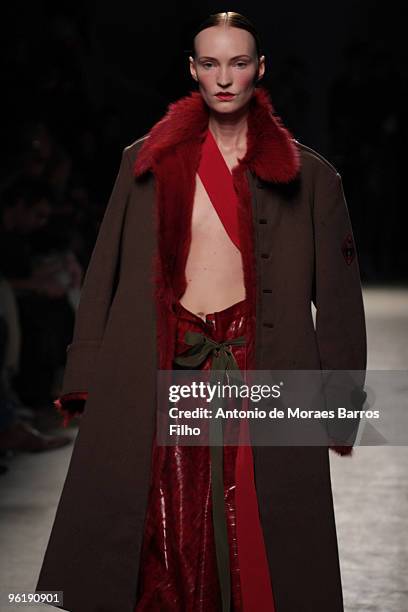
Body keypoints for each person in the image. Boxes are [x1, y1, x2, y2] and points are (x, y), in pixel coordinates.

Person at [36, 11, 367, 612]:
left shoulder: (314, 179)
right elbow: (104, 268)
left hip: (256, 371)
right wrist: (85, 375)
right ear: (193, 70)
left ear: (259, 70)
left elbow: (340, 299)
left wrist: (338, 405)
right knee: (161, 527)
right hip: (168, 366)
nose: (224, 79)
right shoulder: (144, 164)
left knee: (256, 532)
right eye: (210, 64)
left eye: (238, 63)